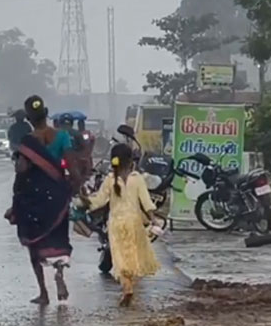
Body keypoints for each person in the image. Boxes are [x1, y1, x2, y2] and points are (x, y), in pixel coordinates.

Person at [9, 95, 74, 304]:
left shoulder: (28, 142)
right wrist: (72, 189)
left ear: (28, 118)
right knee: (59, 239)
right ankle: (60, 274)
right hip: (57, 198)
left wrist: (14, 203)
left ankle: (43, 292)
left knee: (34, 245)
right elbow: (72, 167)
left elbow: (22, 171)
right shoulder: (63, 137)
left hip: (34, 199)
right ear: (46, 114)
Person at [80, 143, 162, 306]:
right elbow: (146, 202)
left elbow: (99, 201)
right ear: (131, 160)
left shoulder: (110, 180)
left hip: (116, 224)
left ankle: (127, 288)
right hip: (134, 223)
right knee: (134, 257)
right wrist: (153, 220)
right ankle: (131, 286)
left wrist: (84, 201)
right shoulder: (137, 178)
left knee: (120, 259)